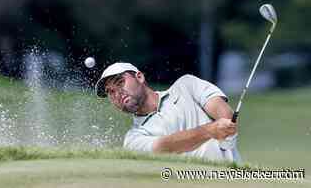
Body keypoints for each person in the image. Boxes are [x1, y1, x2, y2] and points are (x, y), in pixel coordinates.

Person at [95, 62, 241, 162]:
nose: (117, 93)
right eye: (110, 92)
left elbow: (226, 116)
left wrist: (227, 127)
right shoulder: (133, 140)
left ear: (139, 77)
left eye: (120, 82)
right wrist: (210, 130)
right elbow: (165, 147)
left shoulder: (186, 86)